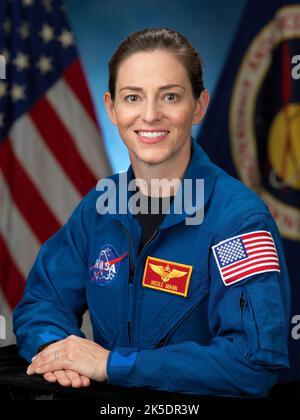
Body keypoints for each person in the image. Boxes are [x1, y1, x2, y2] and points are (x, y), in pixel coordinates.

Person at [13, 28, 290, 397]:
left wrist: (112, 365)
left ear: (199, 106)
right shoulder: (99, 208)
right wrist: (56, 351)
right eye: (132, 97)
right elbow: (43, 302)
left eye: (170, 96)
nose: (149, 115)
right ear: (112, 108)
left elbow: (252, 363)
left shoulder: (239, 223)